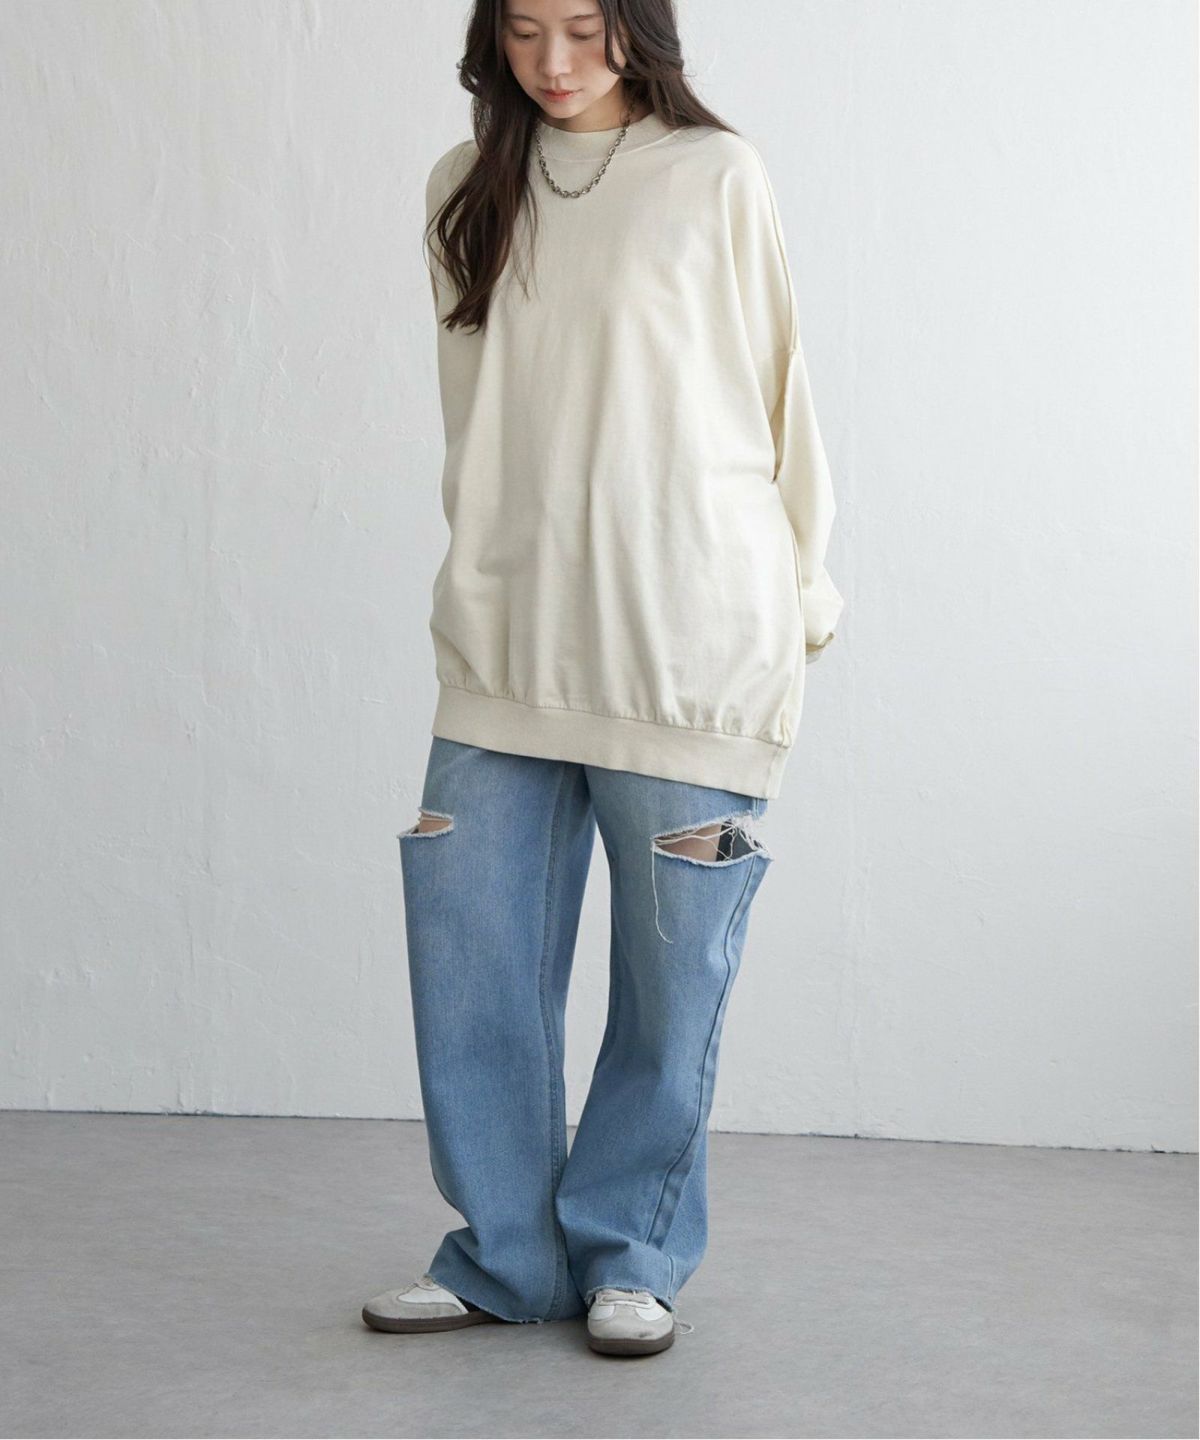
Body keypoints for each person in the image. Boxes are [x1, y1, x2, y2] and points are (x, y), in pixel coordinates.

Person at [362, 0, 844, 1358]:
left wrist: (803, 595)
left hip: (686, 640)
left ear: (639, 26)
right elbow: (478, 418)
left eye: (583, 27)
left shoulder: (715, 175)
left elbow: (781, 396)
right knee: (472, 964)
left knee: (670, 981)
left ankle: (633, 1253)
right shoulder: (465, 186)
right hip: (509, 637)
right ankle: (504, 1257)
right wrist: (475, 579)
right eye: (524, 32)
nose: (555, 63)